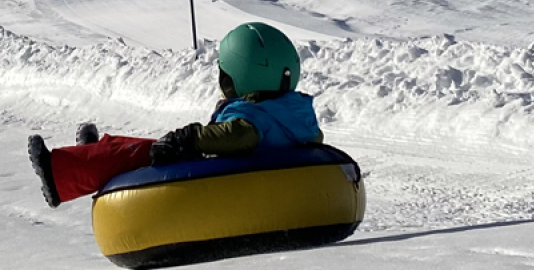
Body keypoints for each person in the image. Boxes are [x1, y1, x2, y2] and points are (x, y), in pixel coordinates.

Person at [27, 22, 322, 207]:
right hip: (244, 173)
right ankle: (93, 152)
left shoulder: (254, 118)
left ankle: (59, 174)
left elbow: (238, 136)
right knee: (147, 146)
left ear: (240, 75)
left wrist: (190, 138)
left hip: (222, 182)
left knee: (141, 153)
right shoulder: (291, 111)